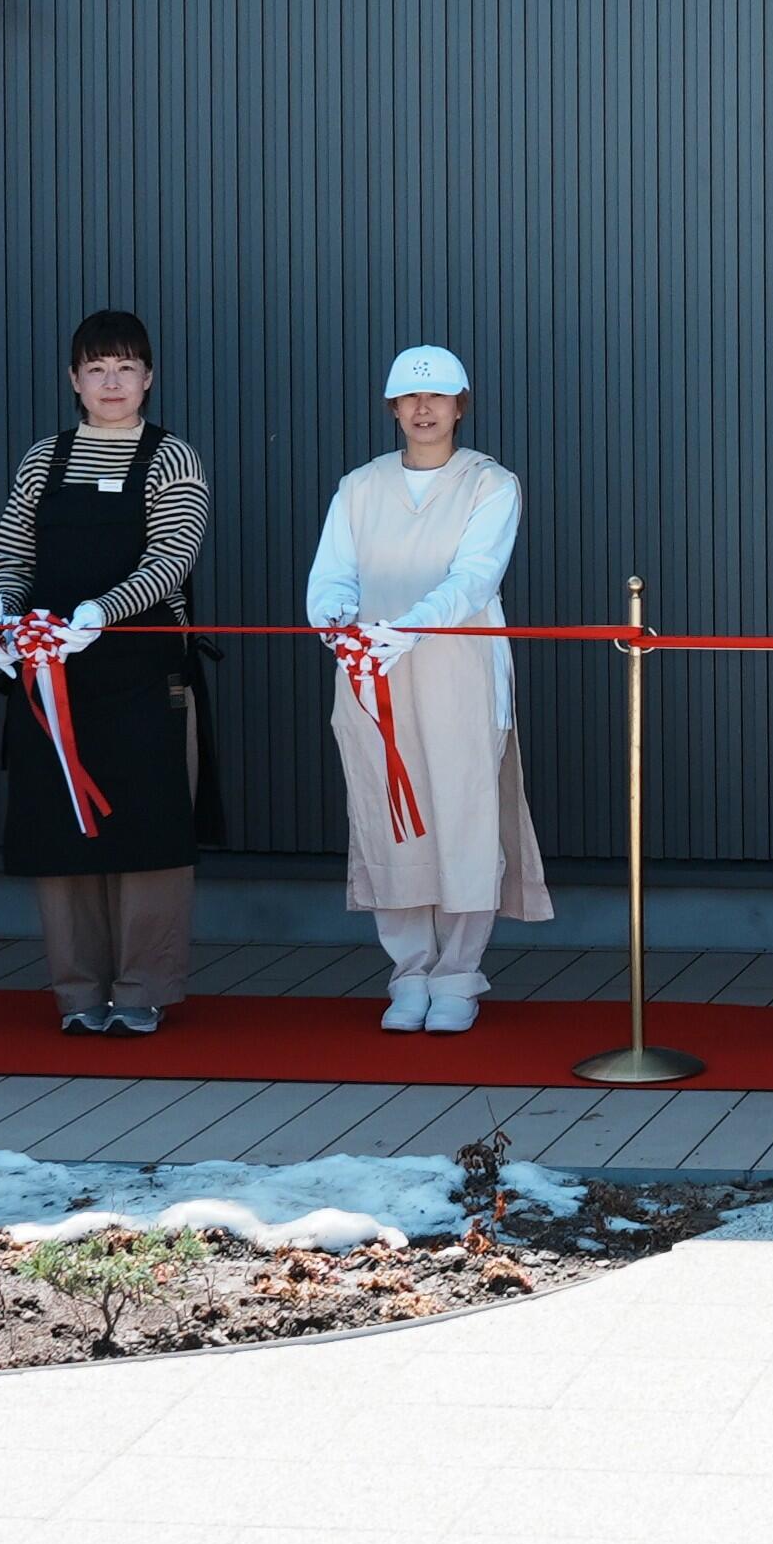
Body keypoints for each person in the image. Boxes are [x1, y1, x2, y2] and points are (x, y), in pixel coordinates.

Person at [0, 309, 214, 1035]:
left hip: (144, 675)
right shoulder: (42, 459)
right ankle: (77, 992)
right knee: (61, 835)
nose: (111, 383)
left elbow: (171, 558)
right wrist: (1, 617)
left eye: (126, 369)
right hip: (50, 678)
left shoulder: (172, 458)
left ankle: (143, 990)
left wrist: (98, 614)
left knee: (149, 836)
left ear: (149, 379)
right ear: (74, 380)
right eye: (96, 369)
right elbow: (10, 555)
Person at [307, 348, 551, 1035]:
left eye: (438, 397)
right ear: (393, 408)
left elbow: (474, 576)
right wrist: (337, 624)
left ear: (459, 406)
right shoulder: (360, 487)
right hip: (373, 677)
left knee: (464, 818)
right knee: (389, 817)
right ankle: (409, 972)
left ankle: (458, 976)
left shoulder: (489, 483)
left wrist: (409, 627)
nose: (423, 409)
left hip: (459, 672)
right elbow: (332, 574)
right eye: (410, 399)